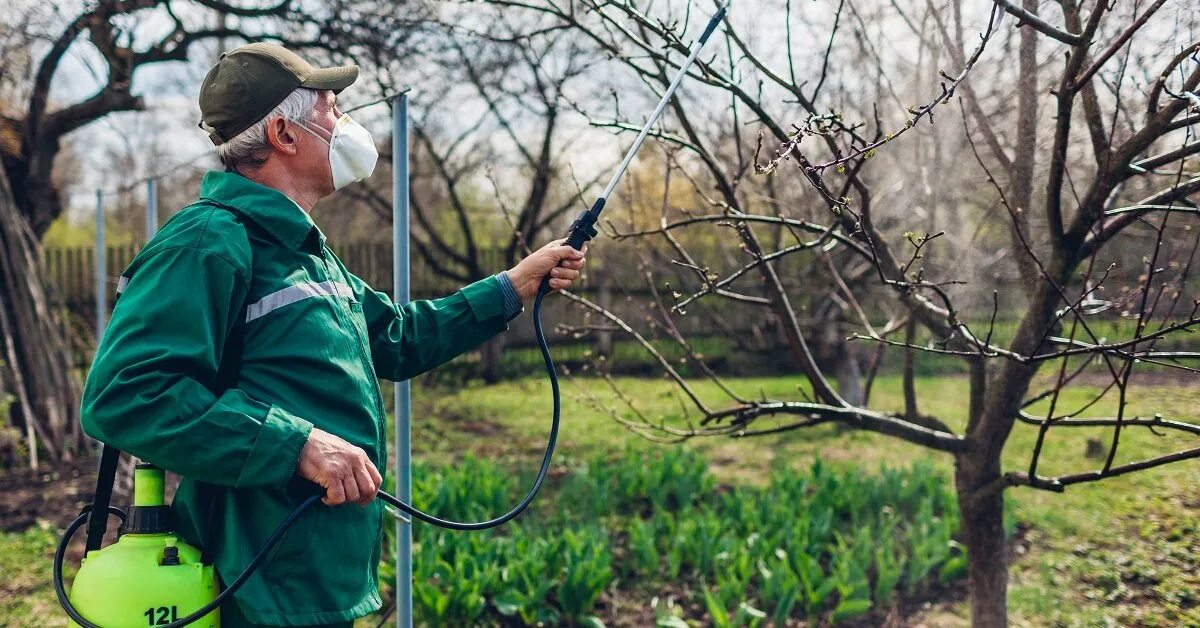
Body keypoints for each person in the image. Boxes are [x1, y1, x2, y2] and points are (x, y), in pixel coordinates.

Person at [79, 42, 586, 627]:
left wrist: (512, 287)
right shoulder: (208, 243)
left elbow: (394, 337)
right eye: (330, 107)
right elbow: (126, 394)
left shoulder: (304, 254)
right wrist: (296, 445)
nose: (345, 121)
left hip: (310, 573)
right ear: (283, 134)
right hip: (252, 581)